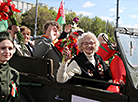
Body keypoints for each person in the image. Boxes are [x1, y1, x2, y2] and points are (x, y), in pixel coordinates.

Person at [0, 31, 19, 102]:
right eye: (3, 48)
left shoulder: (14, 73)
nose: (7, 52)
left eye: (10, 48)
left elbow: (15, 98)